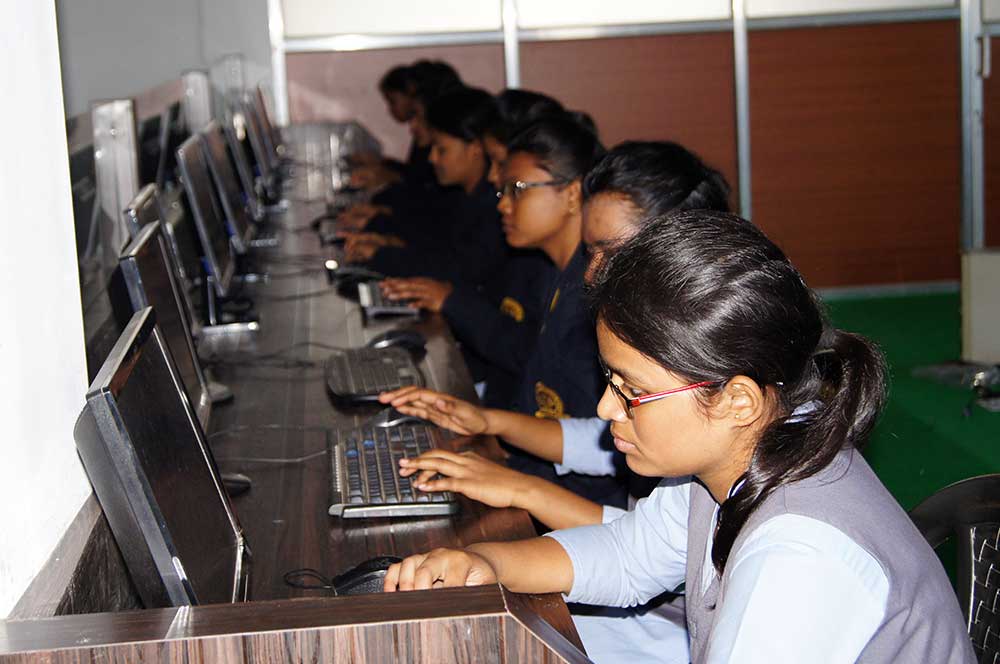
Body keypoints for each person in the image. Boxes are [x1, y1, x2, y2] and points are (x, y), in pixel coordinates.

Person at [381, 209, 976, 664]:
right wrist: (484, 562)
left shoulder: (801, 560)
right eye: (610, 380)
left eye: (631, 390)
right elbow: (629, 556)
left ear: (737, 400)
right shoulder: (746, 452)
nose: (606, 407)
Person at [382, 115, 630, 508]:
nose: (502, 204)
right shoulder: (553, 274)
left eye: (517, 189)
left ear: (571, 194)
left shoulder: (592, 292)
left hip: (577, 505)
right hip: (533, 470)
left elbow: (597, 447)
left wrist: (502, 464)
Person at [378, 89, 566, 407]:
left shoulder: (554, 263)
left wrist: (451, 300)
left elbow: (530, 353)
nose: (493, 178)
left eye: (501, 165)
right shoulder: (527, 245)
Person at [344, 86, 507, 289]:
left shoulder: (494, 205)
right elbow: (434, 242)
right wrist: (387, 241)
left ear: (474, 149)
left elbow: (459, 270)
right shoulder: (462, 195)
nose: (432, 158)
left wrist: (381, 254)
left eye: (441, 150)